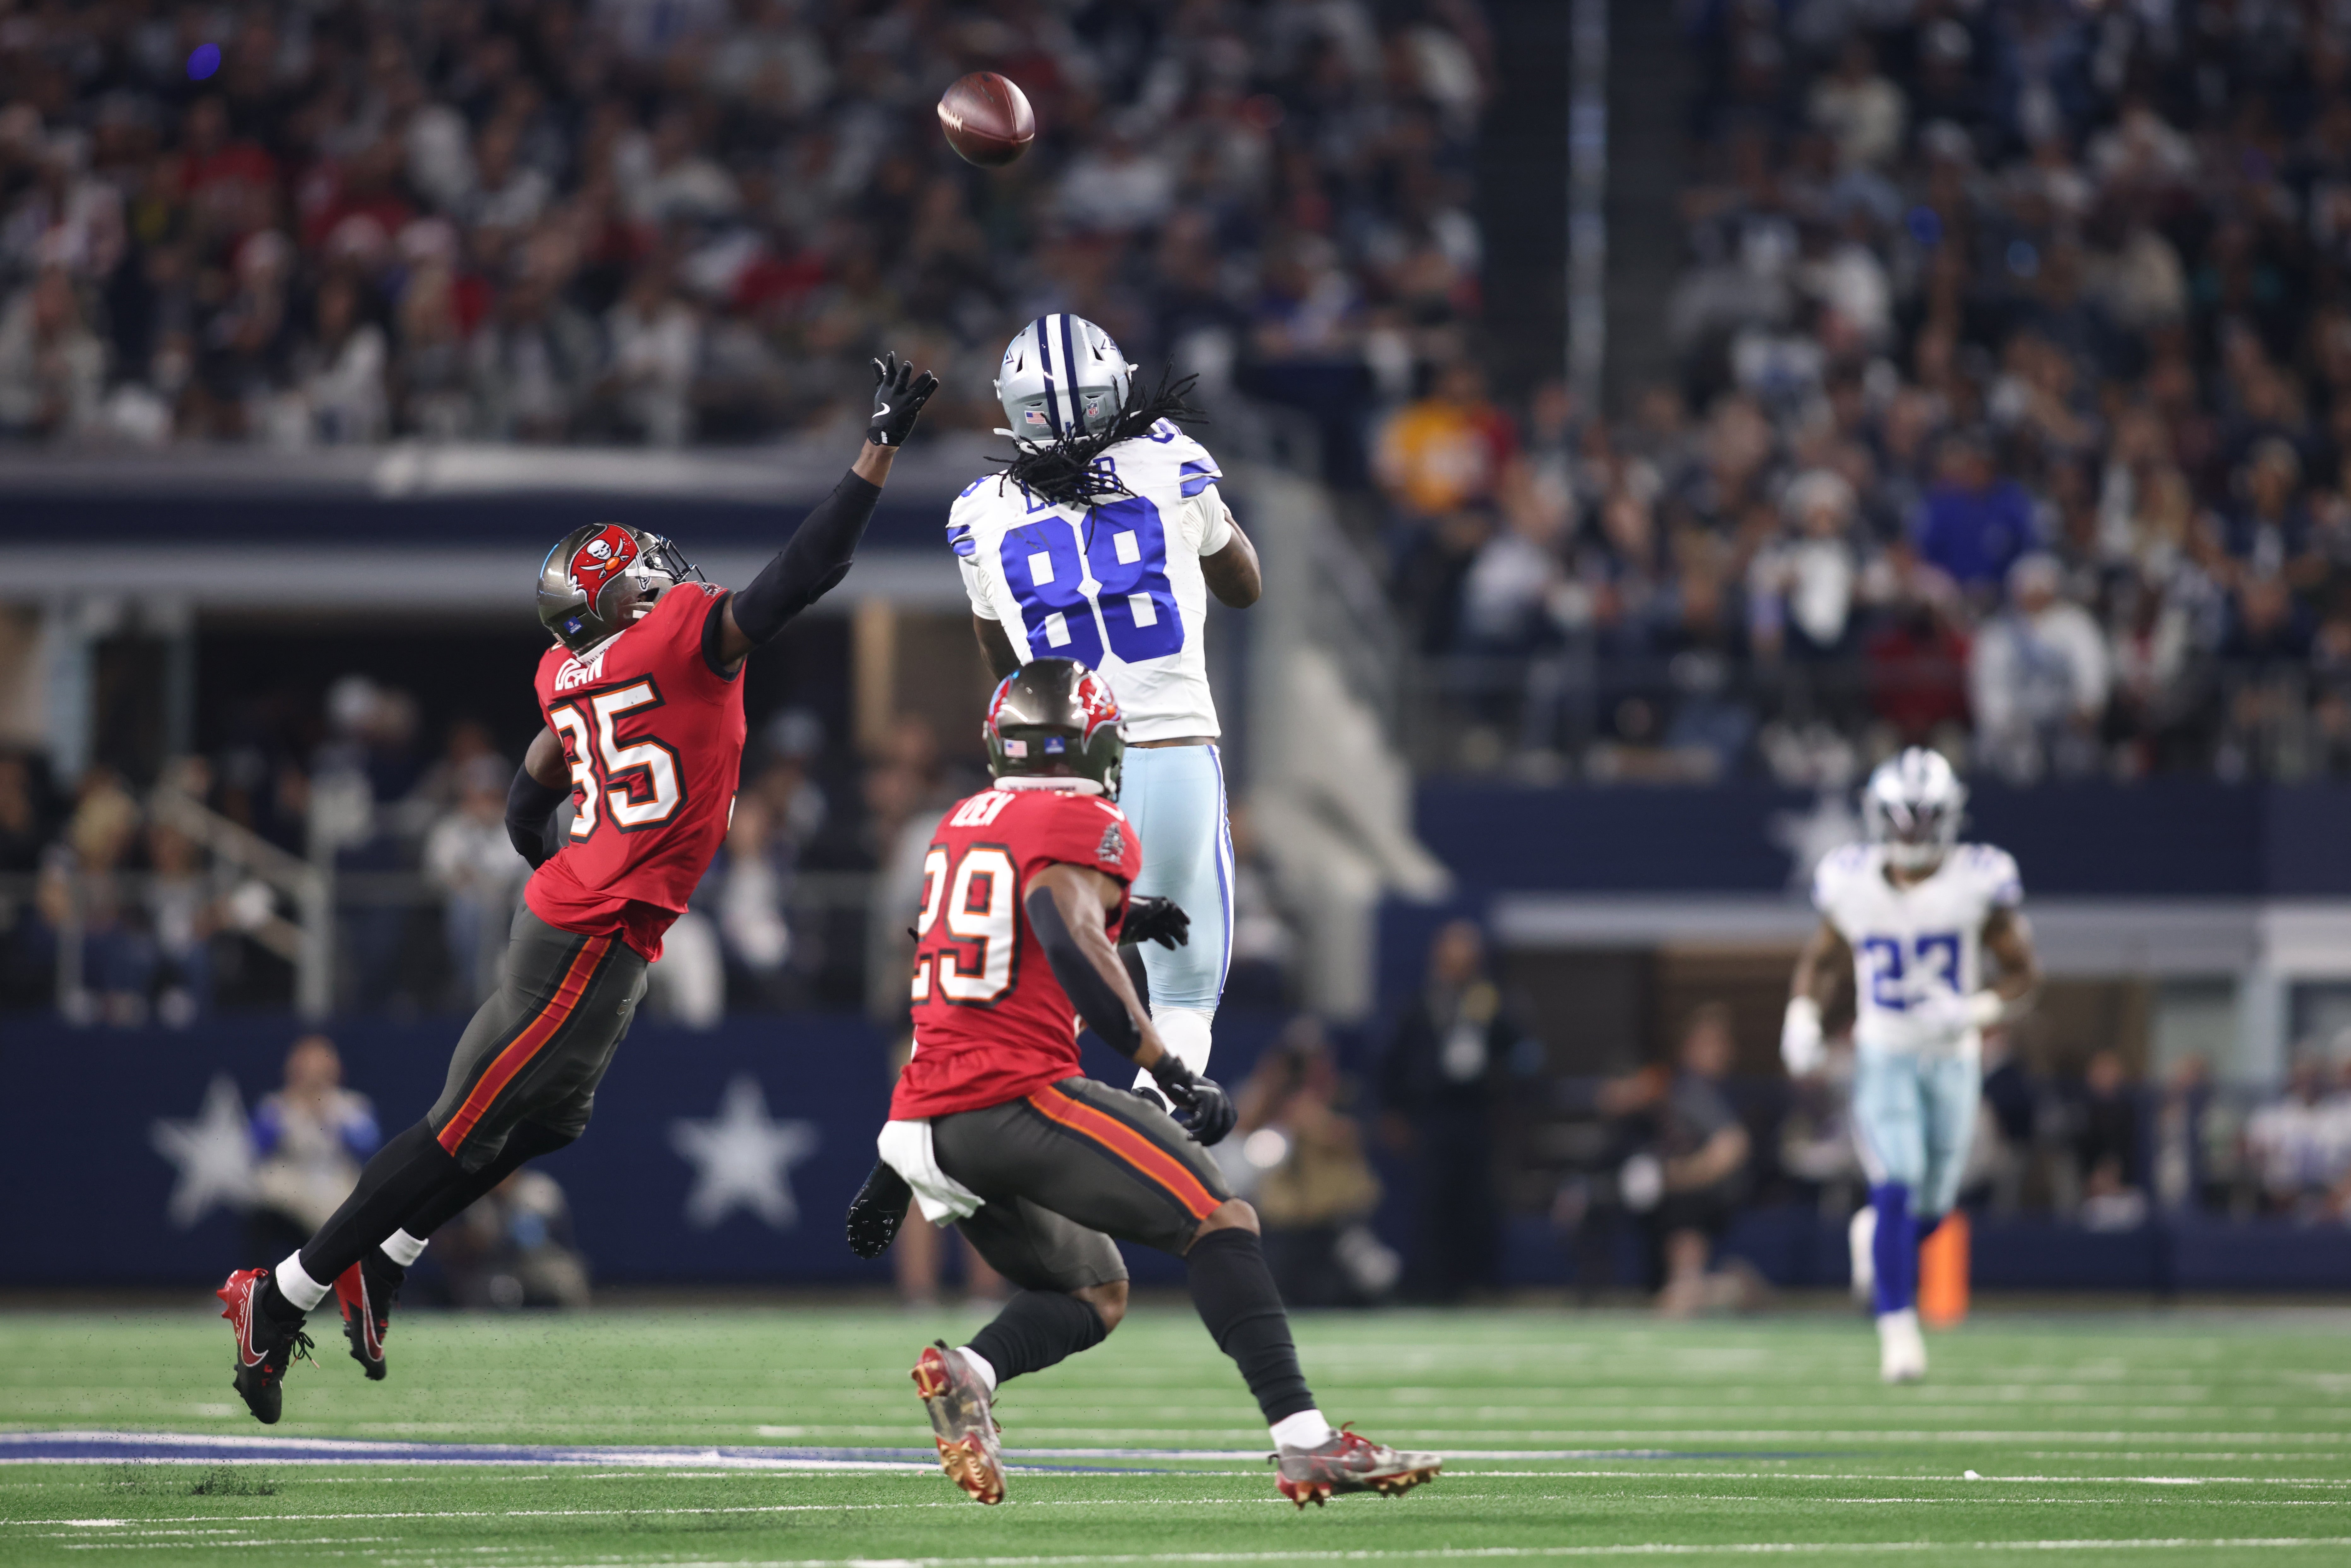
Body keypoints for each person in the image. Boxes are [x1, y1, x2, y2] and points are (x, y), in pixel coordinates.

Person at [215, 350, 940, 1424]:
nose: (667, 569)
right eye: (647, 565)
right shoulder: (683, 636)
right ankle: (282, 1292)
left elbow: (527, 793)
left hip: (590, 918)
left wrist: (556, 855)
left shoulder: (564, 672)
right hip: (595, 928)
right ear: (628, 588)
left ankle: (394, 1252)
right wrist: (876, 450)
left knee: (548, 1124)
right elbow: (806, 574)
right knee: (458, 1127)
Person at [842, 660, 1438, 1510]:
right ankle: (1305, 1442)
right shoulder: (1085, 816)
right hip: (1014, 1099)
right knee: (1220, 1217)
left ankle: (968, 1371)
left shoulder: (958, 824)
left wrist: (890, 1174)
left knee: (1095, 1290)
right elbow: (1058, 931)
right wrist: (1165, 1065)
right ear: (1097, 745)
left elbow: (984, 967)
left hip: (927, 1122)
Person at [951, 315, 1263, 1111]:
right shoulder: (1167, 463)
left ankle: (980, 1116)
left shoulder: (981, 512)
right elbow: (1243, 585)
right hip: (1170, 757)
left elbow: (1007, 670)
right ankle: (1150, 1125)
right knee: (1185, 993)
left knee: (1048, 976)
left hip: (1055, 778)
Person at [1783, 747, 2041, 1383]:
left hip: (1953, 1057)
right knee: (1896, 1177)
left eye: (1925, 819)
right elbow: (1822, 958)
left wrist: (1978, 1008)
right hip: (1886, 1051)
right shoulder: (1851, 879)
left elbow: (2024, 976)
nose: (1913, 833)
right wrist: (1802, 1015)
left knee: (1933, 1203)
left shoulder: (1980, 878)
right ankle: (1898, 1331)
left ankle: (1875, 1234)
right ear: (1879, 818)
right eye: (1903, 819)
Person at [1378, 919, 1515, 1301]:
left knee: (1477, 1201)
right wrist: (1394, 1113)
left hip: (1475, 1114)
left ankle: (1478, 1282)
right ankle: (1433, 1285)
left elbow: (1512, 1052)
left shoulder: (1489, 1001)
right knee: (1433, 1201)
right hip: (1433, 1115)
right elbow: (1393, 1062)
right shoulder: (1419, 1003)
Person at [245, 1037, 381, 1272]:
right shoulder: (277, 1105)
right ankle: (255, 1286)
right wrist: (290, 1112)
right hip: (292, 1197)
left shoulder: (350, 1105)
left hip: (335, 1194)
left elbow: (369, 1145)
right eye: (307, 1066)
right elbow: (256, 1146)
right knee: (258, 1213)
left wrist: (329, 1116)